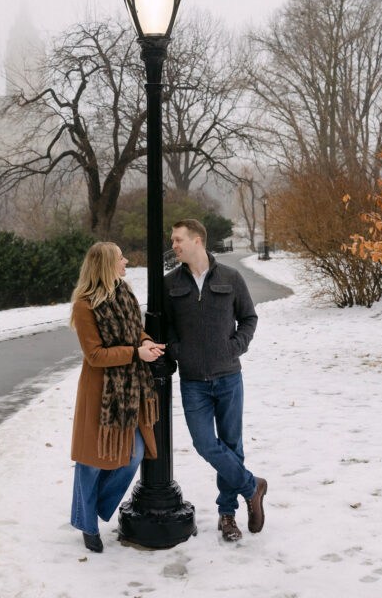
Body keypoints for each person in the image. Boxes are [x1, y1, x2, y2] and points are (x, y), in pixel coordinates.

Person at [163, 219, 266, 543]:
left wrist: (235, 347)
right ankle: (253, 487)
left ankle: (227, 515)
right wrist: (179, 352)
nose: (174, 245)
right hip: (193, 381)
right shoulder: (169, 284)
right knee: (206, 444)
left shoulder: (231, 278)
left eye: (178, 239)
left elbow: (249, 317)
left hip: (228, 378)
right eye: (173, 240)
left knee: (232, 446)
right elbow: (165, 328)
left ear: (197, 241)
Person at [70, 241, 165, 553]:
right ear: (106, 265)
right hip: (100, 394)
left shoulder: (124, 292)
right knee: (91, 463)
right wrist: (136, 354)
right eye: (121, 257)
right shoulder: (84, 305)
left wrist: (147, 342)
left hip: (130, 390)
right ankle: (87, 524)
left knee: (133, 454)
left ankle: (91, 507)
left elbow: (135, 330)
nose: (126, 261)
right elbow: (95, 355)